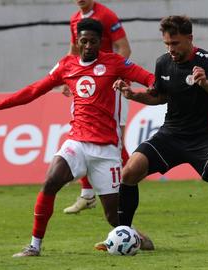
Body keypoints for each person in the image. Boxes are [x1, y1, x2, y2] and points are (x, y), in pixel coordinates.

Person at [0, 18, 155, 257]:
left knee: (114, 218)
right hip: (76, 142)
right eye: (84, 41)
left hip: (107, 150)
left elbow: (148, 77)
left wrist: (149, 91)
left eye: (93, 41)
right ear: (77, 42)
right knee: (51, 181)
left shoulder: (115, 63)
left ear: (101, 42)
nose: (88, 46)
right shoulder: (66, 65)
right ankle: (34, 246)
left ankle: (135, 237)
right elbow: (35, 89)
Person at [104, 15, 208, 252]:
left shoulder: (207, 61)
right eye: (167, 44)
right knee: (130, 171)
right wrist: (134, 95)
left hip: (203, 139)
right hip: (170, 135)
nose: (171, 49)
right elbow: (159, 95)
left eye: (175, 43)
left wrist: (205, 83)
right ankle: (124, 234)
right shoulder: (163, 63)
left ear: (190, 39)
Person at [62, 0, 132, 214]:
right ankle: (88, 195)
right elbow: (74, 50)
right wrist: (69, 78)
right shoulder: (75, 19)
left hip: (109, 87)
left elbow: (124, 48)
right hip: (84, 86)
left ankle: (128, 188)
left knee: (116, 143)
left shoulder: (106, 15)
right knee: (80, 136)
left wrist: (108, 72)